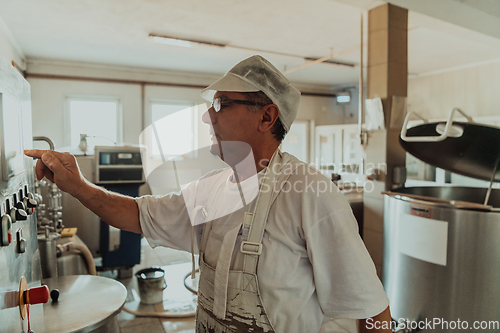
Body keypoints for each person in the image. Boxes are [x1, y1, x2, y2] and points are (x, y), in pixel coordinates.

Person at [25, 55, 392, 333]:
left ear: (266, 117)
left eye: (221, 104)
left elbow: (373, 313)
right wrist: (76, 185)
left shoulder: (310, 194)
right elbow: (138, 214)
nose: (207, 117)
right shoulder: (213, 189)